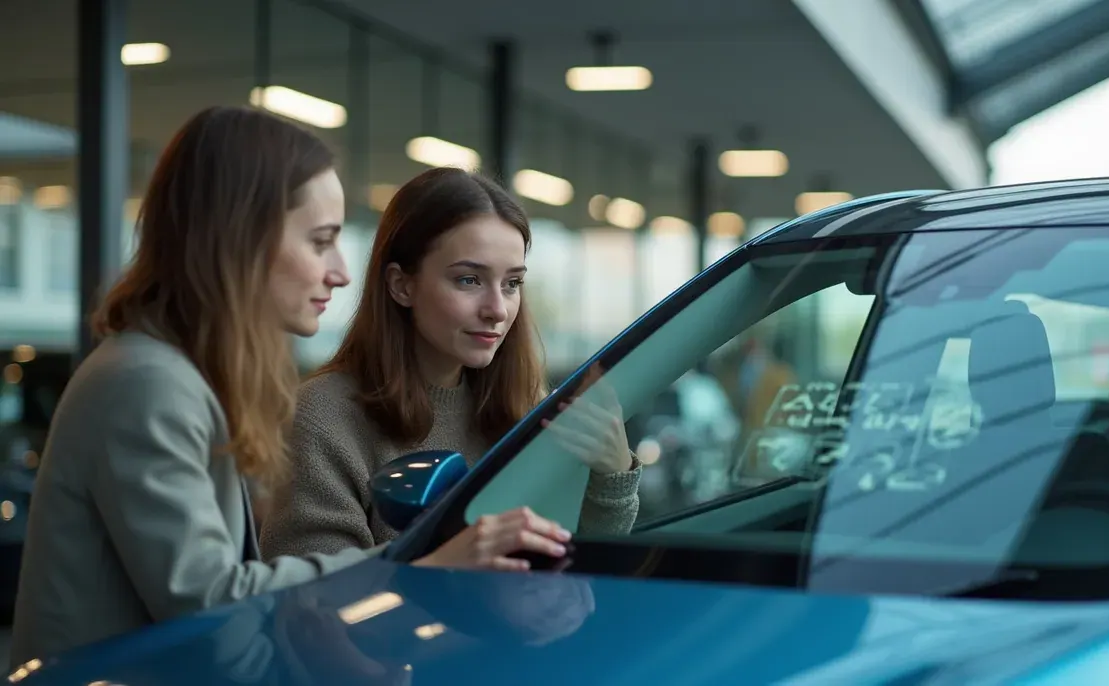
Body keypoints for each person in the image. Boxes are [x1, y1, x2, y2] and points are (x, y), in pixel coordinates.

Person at [9, 107, 569, 667]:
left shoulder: (183, 378)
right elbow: (210, 606)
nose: (341, 271)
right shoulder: (148, 383)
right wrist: (418, 561)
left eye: (512, 282)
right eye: (320, 241)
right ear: (241, 239)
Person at [259, 167, 642, 566]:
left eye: (512, 283)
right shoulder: (324, 416)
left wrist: (613, 475)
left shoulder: (525, 406)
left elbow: (579, 572)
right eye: (469, 280)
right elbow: (312, 603)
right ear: (401, 285)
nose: (497, 309)